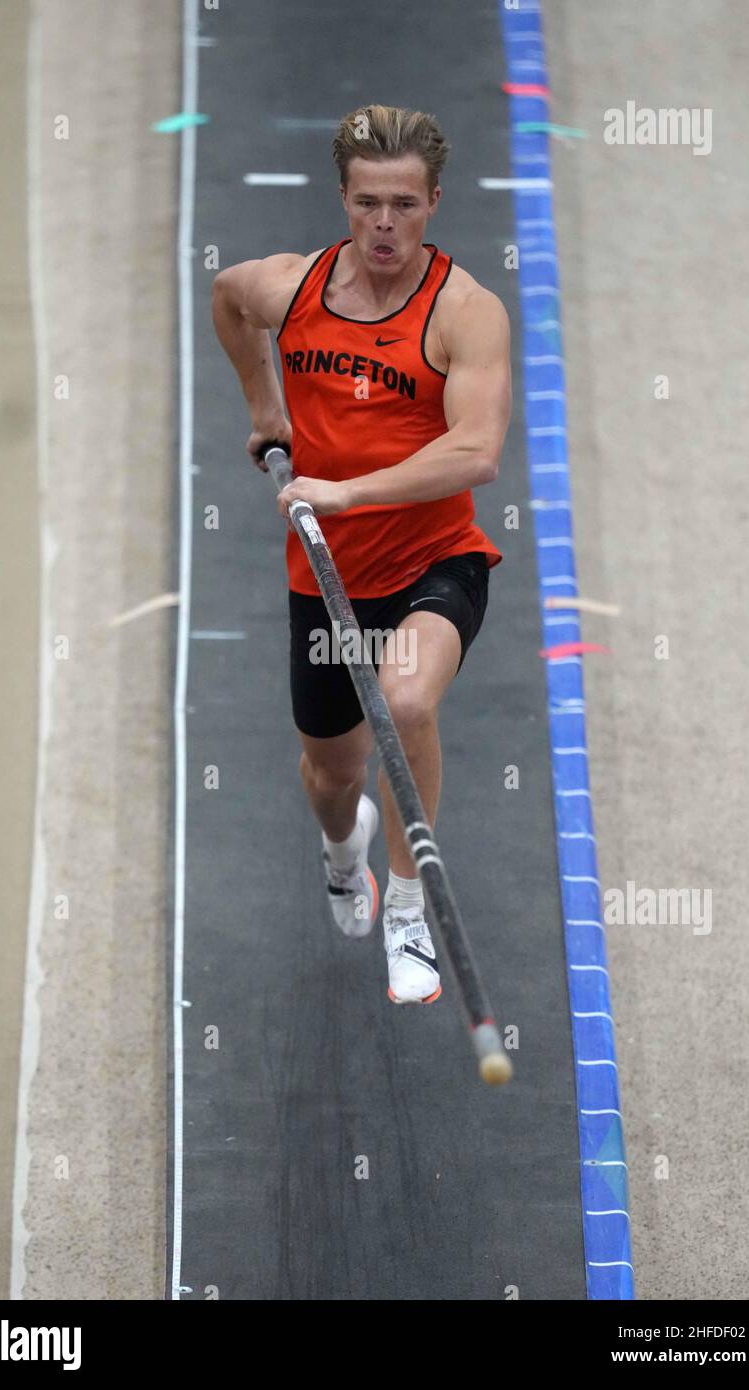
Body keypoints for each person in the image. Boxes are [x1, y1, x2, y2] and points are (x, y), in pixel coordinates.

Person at [211, 103, 511, 1004]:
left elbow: (477, 452)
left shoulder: (465, 311)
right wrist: (267, 410)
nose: (387, 224)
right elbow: (228, 297)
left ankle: (410, 906)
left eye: (407, 205)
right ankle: (346, 856)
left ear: (434, 203)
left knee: (406, 696)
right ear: (343, 197)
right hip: (328, 575)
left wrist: (342, 490)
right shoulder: (293, 289)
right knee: (333, 775)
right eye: (370, 202)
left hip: (435, 561)